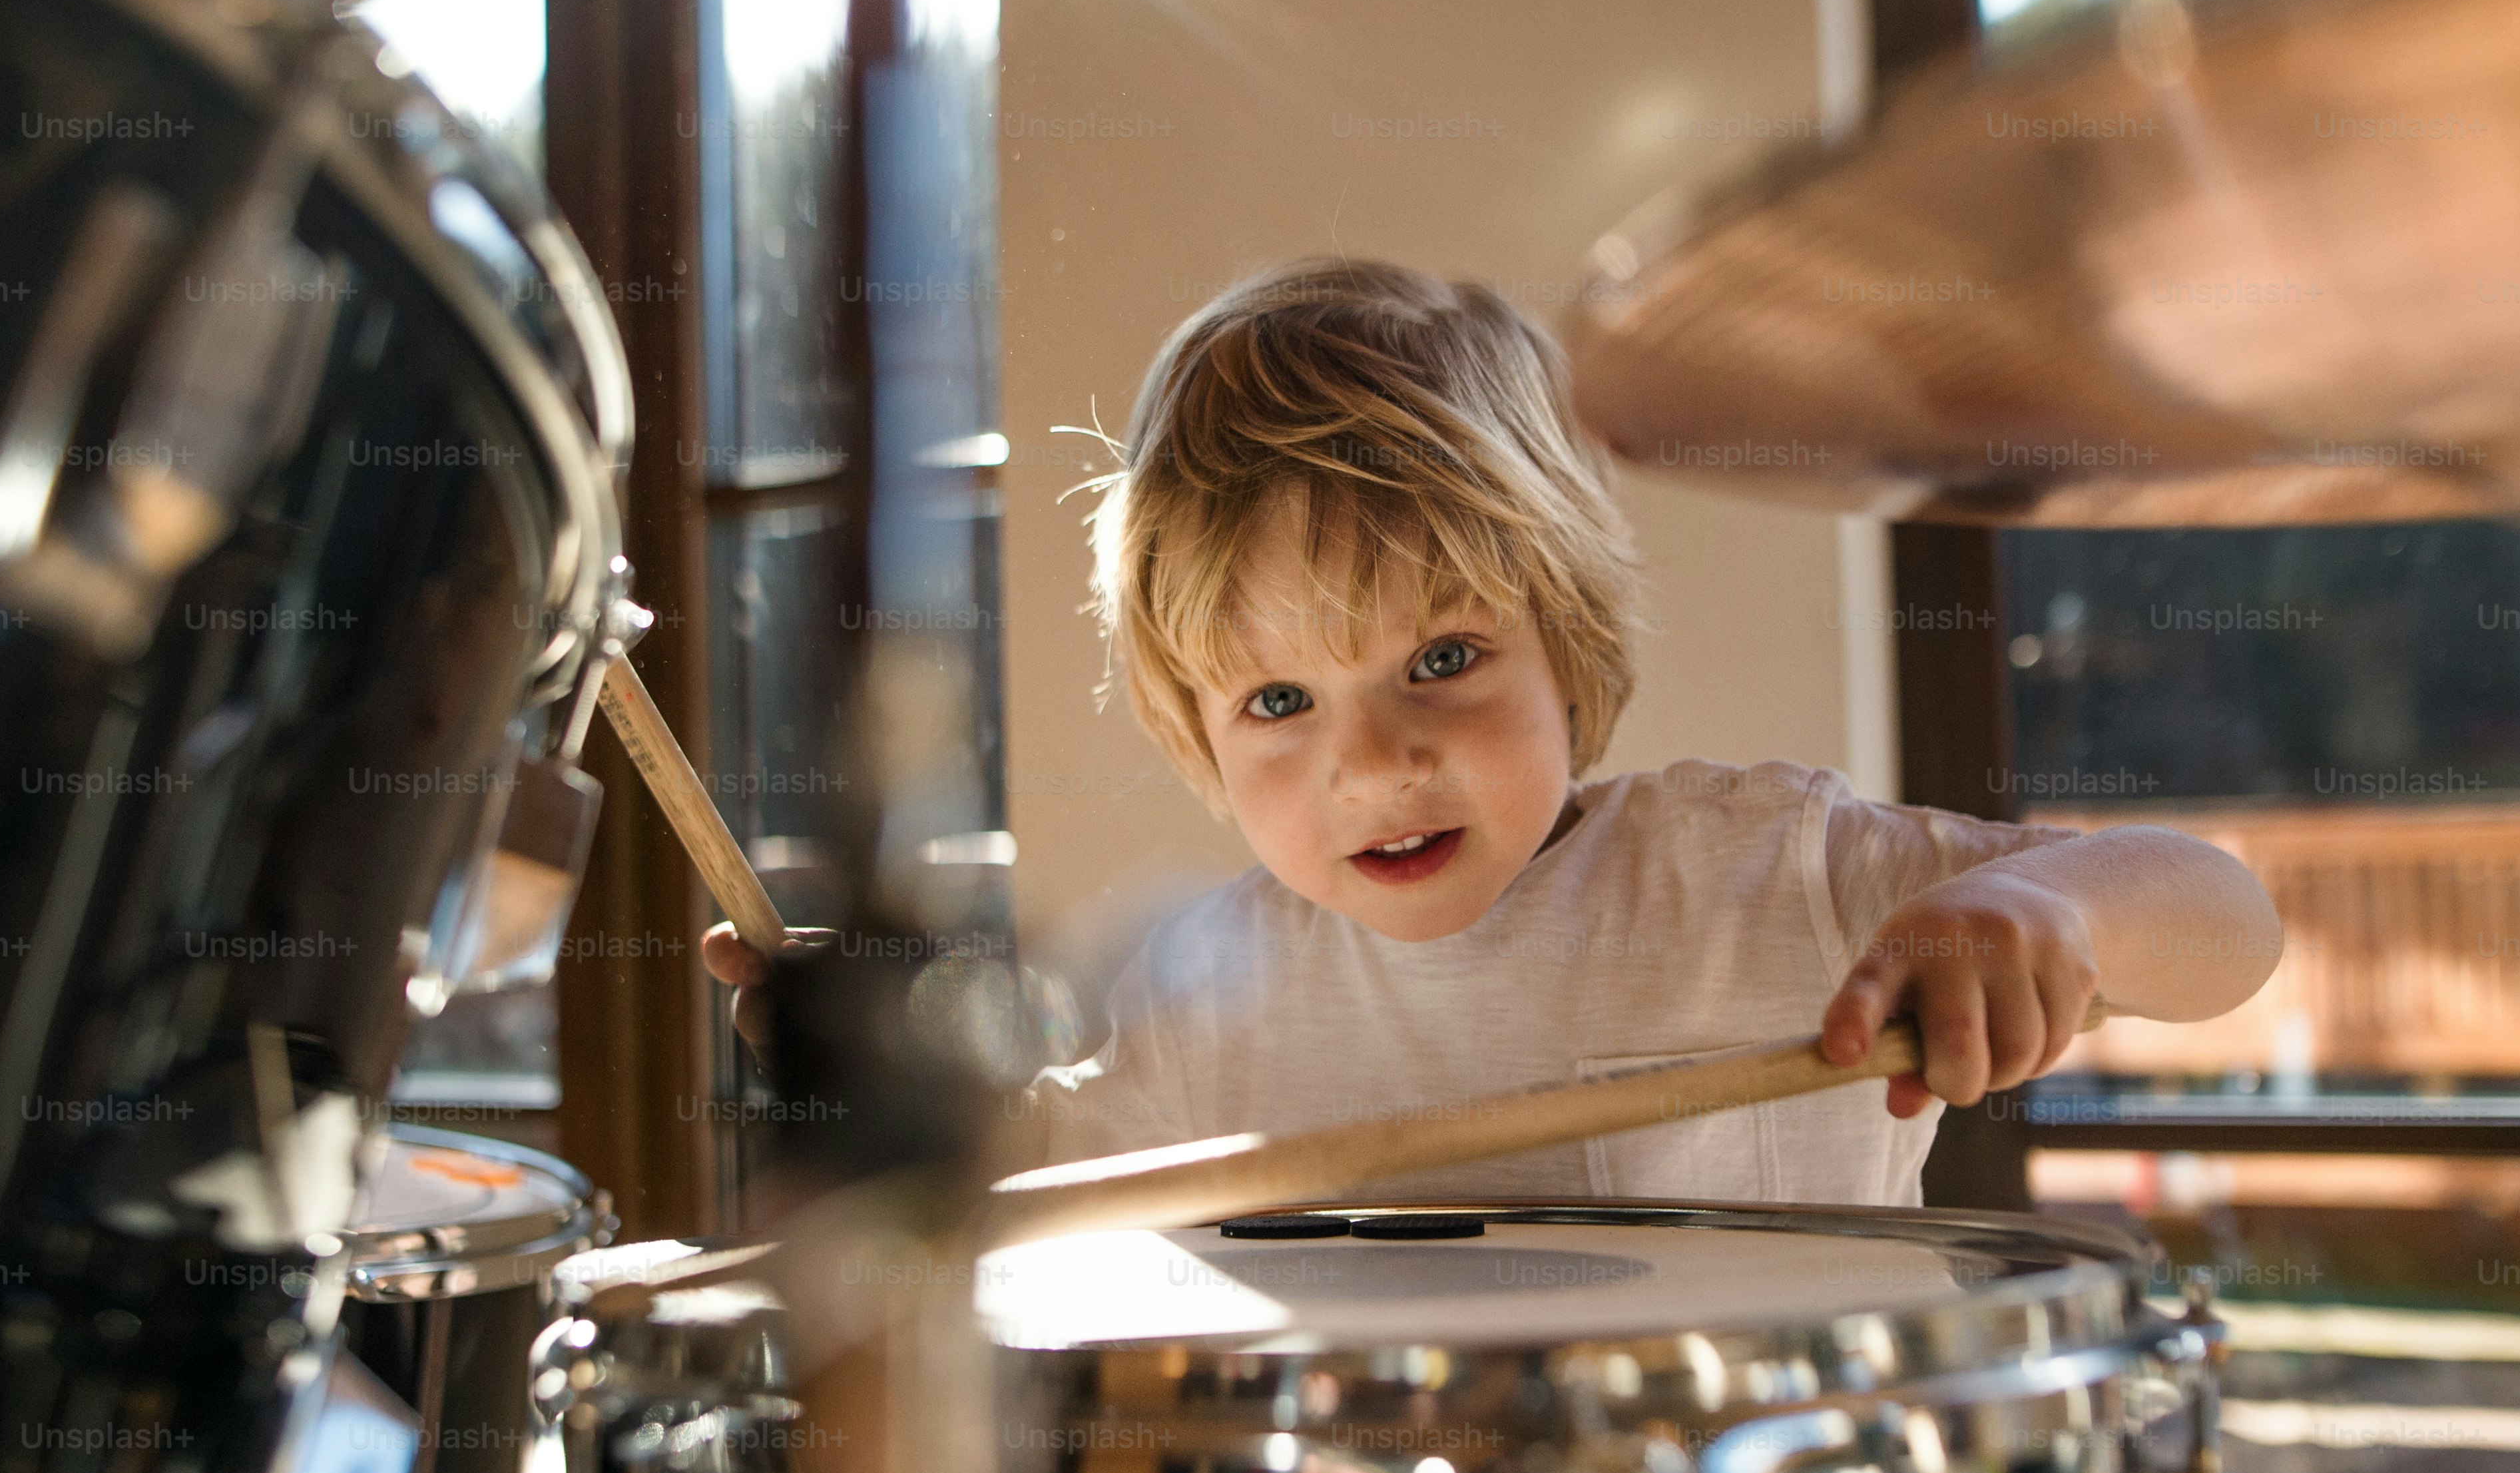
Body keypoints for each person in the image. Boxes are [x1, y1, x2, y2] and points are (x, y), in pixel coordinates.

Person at [706, 258, 2282, 1207]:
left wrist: (2049, 909)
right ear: (1194, 729)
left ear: (1569, 643)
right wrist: (868, 1083)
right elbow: (1012, 1189)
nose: (1375, 761)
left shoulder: (1768, 871)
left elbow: (2232, 921)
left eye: (1441, 657)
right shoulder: (1208, 1007)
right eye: (1278, 702)